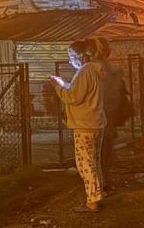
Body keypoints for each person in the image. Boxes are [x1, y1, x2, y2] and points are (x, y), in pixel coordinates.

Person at [51, 40, 107, 213]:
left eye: (72, 56)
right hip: (96, 122)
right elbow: (81, 94)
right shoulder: (94, 71)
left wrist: (58, 86)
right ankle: (97, 193)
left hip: (85, 125)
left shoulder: (85, 71)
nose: (70, 61)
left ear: (82, 55)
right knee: (94, 161)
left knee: (85, 163)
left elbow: (73, 98)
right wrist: (66, 85)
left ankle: (92, 200)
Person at [87, 37, 123, 192]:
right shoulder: (111, 69)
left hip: (98, 116)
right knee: (106, 150)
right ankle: (104, 180)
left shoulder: (93, 69)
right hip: (109, 115)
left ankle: (98, 185)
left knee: (96, 151)